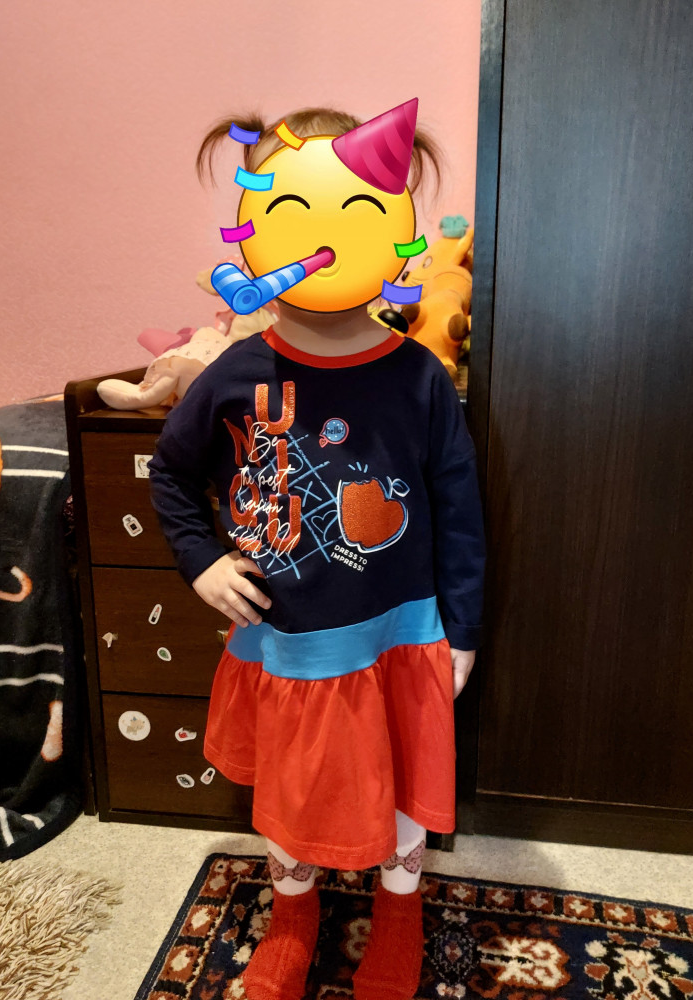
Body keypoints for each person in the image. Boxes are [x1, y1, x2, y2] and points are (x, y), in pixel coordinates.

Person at [148, 99, 486, 1000]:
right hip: (289, 642)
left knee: (406, 793)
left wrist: (463, 629)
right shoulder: (234, 373)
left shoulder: (420, 377)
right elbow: (171, 472)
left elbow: (460, 508)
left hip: (401, 635)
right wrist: (200, 560)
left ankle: (400, 919)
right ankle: (293, 918)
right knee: (288, 797)